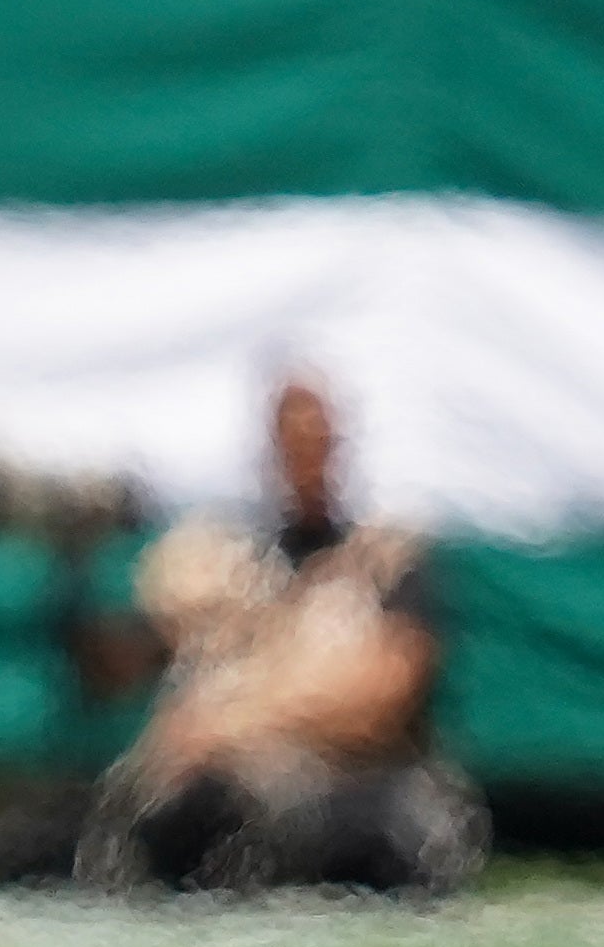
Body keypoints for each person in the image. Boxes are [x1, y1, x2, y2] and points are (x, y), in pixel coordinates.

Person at [71, 373, 481, 897]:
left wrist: (236, 723)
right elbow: (119, 670)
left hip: (352, 780)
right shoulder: (224, 566)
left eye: (318, 441)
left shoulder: (386, 562)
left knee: (384, 834)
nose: (306, 460)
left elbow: (388, 690)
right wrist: (76, 567)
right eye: (292, 442)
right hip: (231, 786)